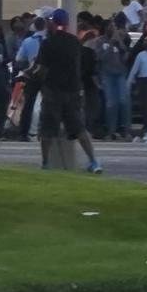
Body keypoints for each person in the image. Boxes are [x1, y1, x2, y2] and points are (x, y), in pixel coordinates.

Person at [34, 9, 102, 173]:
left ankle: (45, 162)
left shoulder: (47, 43)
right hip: (72, 90)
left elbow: (42, 69)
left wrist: (31, 76)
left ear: (53, 22)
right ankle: (93, 161)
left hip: (53, 91)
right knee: (78, 127)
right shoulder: (73, 42)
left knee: (48, 128)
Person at [96, 20, 131, 140]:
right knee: (111, 103)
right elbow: (101, 57)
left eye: (115, 26)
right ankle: (111, 131)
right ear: (106, 28)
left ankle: (125, 130)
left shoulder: (119, 41)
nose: (114, 28)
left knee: (124, 100)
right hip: (107, 74)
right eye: (112, 26)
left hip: (120, 73)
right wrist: (111, 43)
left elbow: (125, 57)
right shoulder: (100, 41)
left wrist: (120, 45)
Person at [15, 17, 47, 141]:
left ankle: (23, 132)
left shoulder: (27, 41)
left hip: (31, 74)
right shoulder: (49, 39)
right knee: (47, 103)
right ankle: (43, 130)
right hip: (46, 74)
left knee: (29, 104)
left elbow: (19, 58)